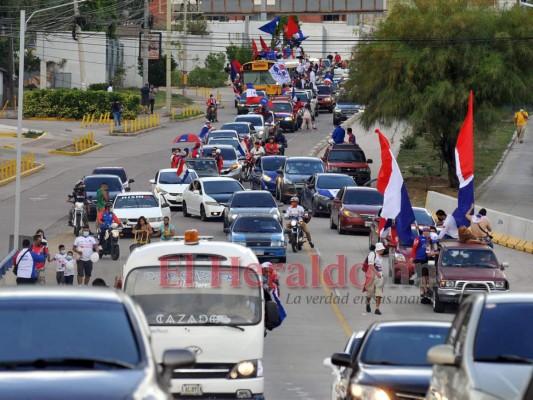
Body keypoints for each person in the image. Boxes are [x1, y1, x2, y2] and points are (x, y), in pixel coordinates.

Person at [411, 227, 436, 302]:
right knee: (422, 276)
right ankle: (424, 290)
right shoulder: (418, 238)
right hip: (419, 258)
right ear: (422, 232)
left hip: (426, 259)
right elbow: (414, 248)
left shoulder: (430, 239)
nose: (426, 232)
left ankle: (427, 290)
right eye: (424, 231)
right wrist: (412, 257)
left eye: (427, 231)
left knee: (426, 275)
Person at [364, 242, 385, 315]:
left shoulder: (380, 257)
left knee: (379, 292)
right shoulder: (372, 254)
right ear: (379, 249)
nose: (383, 250)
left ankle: (377, 308)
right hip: (372, 276)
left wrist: (380, 274)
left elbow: (380, 267)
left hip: (379, 276)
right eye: (382, 249)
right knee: (370, 292)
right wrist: (377, 273)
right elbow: (371, 265)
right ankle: (367, 303)